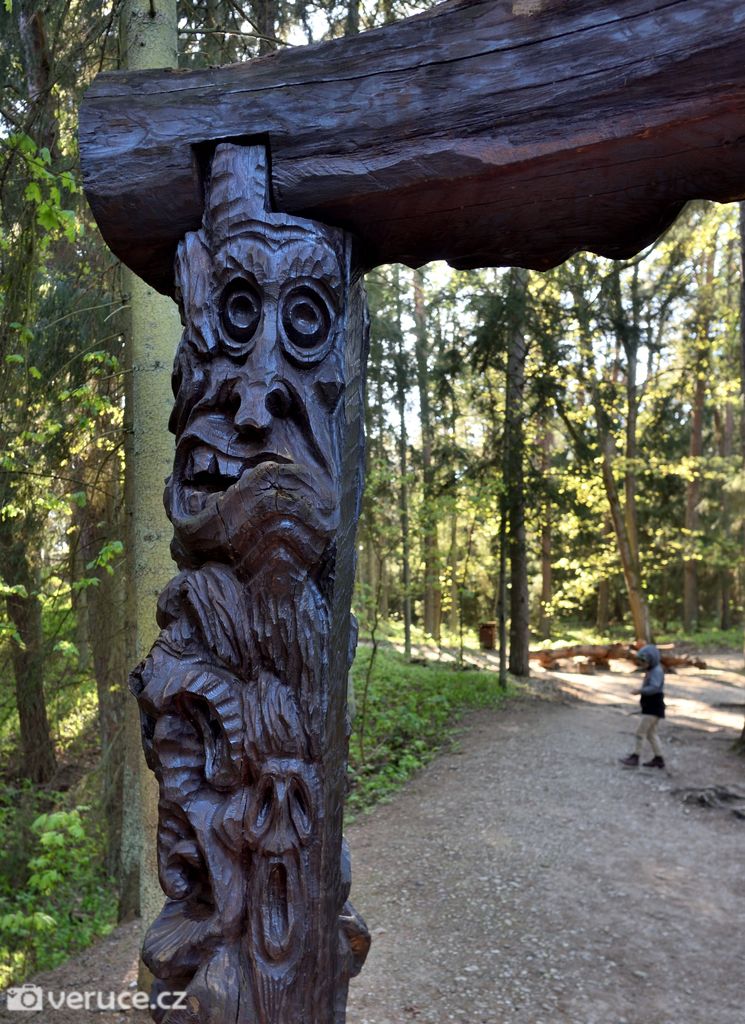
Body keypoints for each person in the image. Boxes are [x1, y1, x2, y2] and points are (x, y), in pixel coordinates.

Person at [620, 643, 665, 769]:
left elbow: (655, 687)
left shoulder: (656, 671)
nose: (642, 665)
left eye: (644, 662)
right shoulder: (652, 670)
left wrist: (640, 691)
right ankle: (659, 758)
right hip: (651, 707)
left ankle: (636, 756)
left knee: (640, 732)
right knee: (651, 734)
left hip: (653, 708)